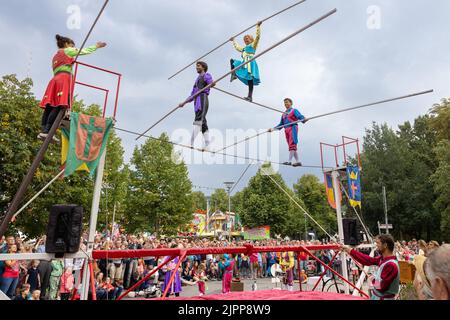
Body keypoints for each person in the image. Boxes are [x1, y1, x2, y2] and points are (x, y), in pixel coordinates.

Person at [38, 34, 107, 142]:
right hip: (63, 79)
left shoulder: (55, 56)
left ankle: (44, 130)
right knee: (58, 105)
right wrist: (96, 46)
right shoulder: (67, 51)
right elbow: (82, 51)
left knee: (50, 106)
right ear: (66, 44)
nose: (73, 48)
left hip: (55, 80)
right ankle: (47, 131)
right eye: (71, 45)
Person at [340, 234, 400, 300]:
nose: (376, 245)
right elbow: (367, 260)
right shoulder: (384, 259)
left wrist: (372, 279)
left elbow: (381, 287)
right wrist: (350, 250)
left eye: (378, 243)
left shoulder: (391, 264)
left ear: (385, 245)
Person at [179, 61, 214, 149]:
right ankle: (208, 144)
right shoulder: (197, 80)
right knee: (203, 123)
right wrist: (184, 102)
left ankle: (190, 142)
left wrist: (212, 84)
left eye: (198, 66)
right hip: (197, 101)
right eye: (196, 66)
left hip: (202, 99)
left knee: (198, 121)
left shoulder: (206, 75)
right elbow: (192, 95)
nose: (196, 67)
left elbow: (211, 83)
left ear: (203, 67)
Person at [229, 21, 262, 101]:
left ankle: (250, 96)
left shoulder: (253, 45)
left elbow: (257, 37)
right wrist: (233, 41)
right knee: (233, 61)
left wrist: (258, 27)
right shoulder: (244, 49)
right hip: (244, 63)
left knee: (250, 79)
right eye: (244, 39)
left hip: (250, 63)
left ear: (251, 39)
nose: (245, 40)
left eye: (247, 38)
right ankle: (234, 74)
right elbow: (237, 47)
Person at [269, 98, 307, 167]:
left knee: (292, 144)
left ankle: (289, 161)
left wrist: (304, 119)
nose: (285, 104)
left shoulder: (294, 110)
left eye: (287, 102)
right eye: (284, 103)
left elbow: (299, 116)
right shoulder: (284, 114)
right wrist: (273, 129)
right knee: (291, 146)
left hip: (293, 128)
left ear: (291, 103)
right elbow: (281, 124)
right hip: (286, 130)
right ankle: (298, 161)